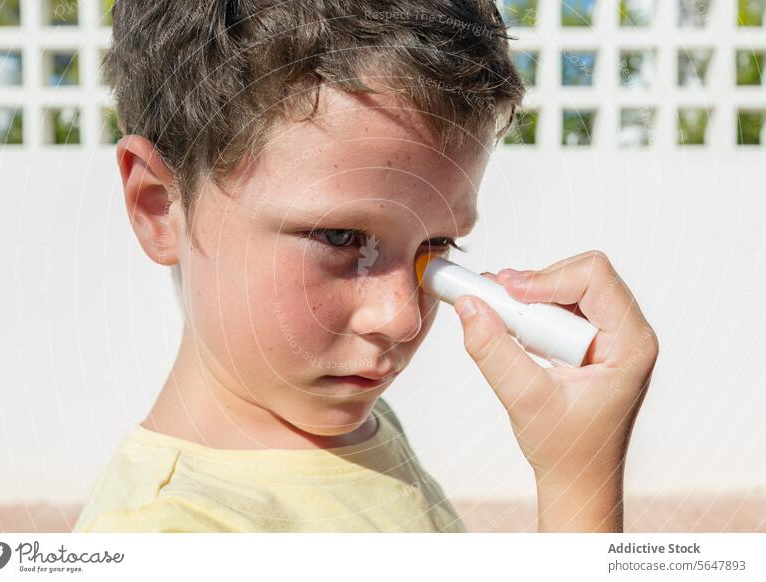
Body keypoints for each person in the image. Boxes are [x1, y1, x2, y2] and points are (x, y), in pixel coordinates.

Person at [73, 0, 657, 533]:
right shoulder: (166, 535)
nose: (401, 317)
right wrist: (579, 488)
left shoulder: (357, 431)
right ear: (159, 206)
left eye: (439, 244)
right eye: (340, 237)